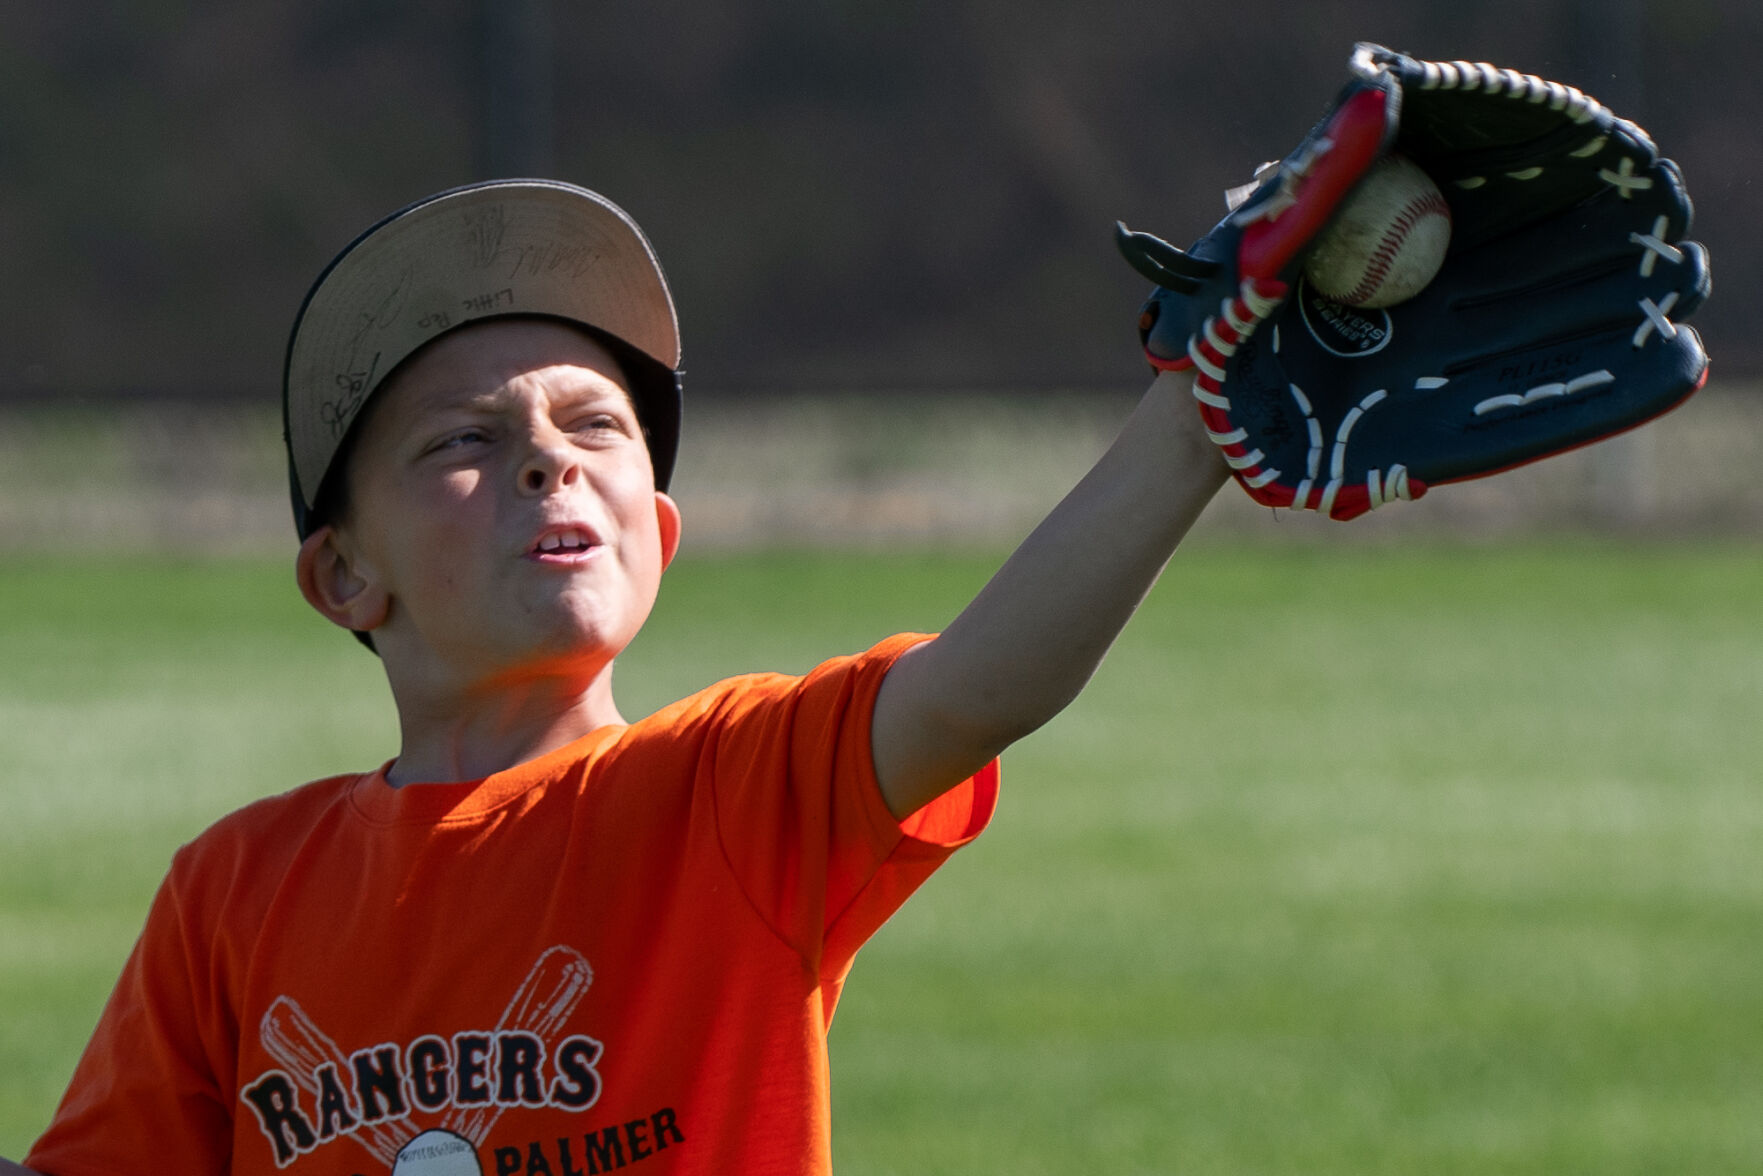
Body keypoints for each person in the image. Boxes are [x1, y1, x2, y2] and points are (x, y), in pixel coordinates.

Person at [9, 179, 1227, 1175]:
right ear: (341, 576)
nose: (548, 457)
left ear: (659, 527)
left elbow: (979, 689)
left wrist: (1191, 418)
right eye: (463, 440)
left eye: (595, 426)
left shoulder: (728, 789)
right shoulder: (235, 891)